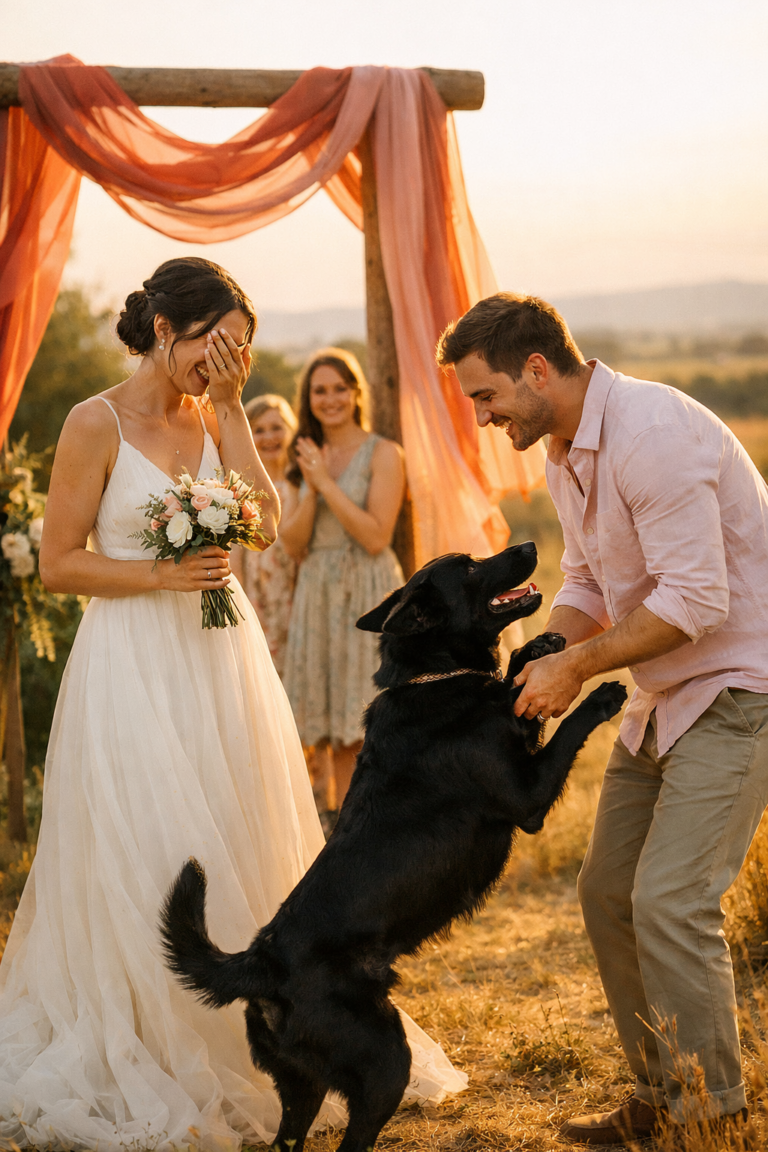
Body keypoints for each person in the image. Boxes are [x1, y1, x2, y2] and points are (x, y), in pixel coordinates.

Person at [0, 259, 464, 1150]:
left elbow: (261, 522)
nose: (229, 362)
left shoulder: (211, 413)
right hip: (132, 661)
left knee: (235, 825)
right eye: (221, 343)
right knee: (150, 837)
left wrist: (228, 418)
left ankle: (278, 1030)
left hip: (222, 655)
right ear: (169, 328)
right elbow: (60, 563)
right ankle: (146, 1030)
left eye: (242, 351)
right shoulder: (92, 422)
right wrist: (158, 573)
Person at [437, 292, 768, 1146]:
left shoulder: (653, 437)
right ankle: (660, 1094)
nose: (481, 417)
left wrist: (577, 667)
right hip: (665, 691)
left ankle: (713, 1117)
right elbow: (588, 581)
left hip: (738, 686)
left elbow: (696, 600)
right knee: (607, 892)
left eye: (485, 396)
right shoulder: (563, 450)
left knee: (669, 899)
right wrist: (541, 653)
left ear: (537, 369)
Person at [281, 348, 406, 810]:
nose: (330, 399)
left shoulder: (384, 453)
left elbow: (376, 536)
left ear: (356, 393)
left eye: (340, 388)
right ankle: (339, 826)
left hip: (367, 590)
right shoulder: (305, 456)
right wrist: (312, 486)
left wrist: (328, 484)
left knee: (365, 720)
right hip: (318, 591)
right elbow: (293, 544)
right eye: (320, 390)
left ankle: (377, 819)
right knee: (332, 727)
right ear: (308, 398)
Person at [230, 393, 298, 677]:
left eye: (276, 427)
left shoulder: (301, 481)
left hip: (298, 589)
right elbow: (235, 555)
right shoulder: (244, 486)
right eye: (259, 430)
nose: (269, 437)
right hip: (261, 593)